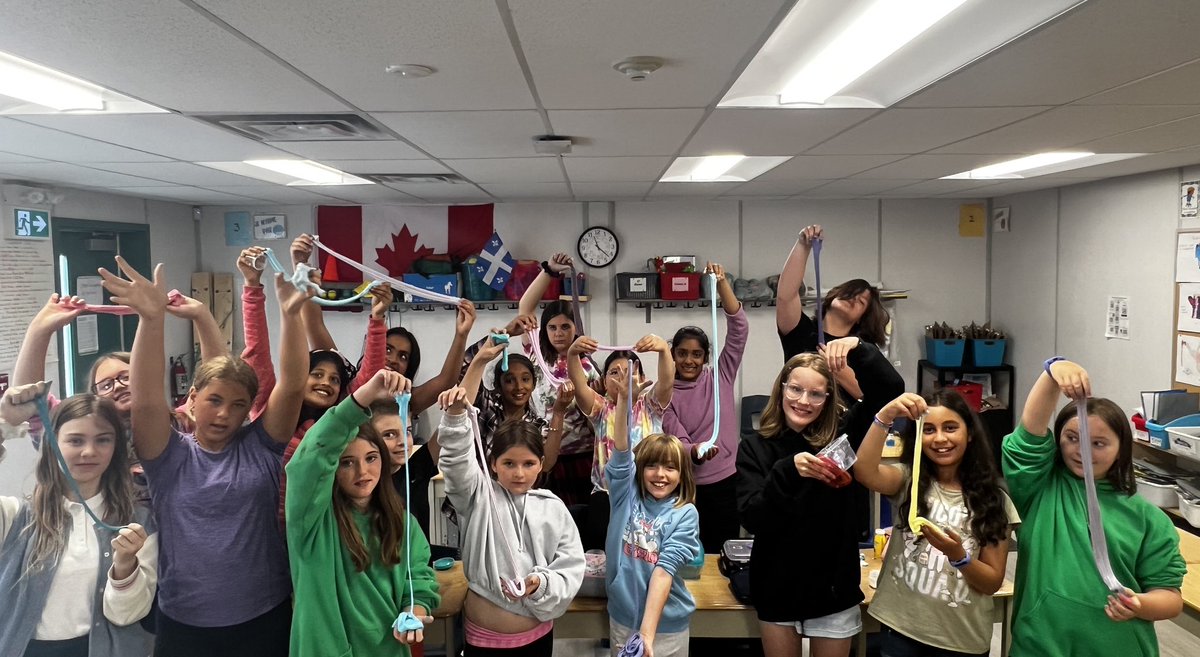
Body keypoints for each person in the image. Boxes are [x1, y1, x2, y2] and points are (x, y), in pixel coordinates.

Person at [102, 255, 311, 657]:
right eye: (214, 400)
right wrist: (151, 319)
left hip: (263, 616)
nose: (224, 414)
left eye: (238, 405)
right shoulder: (168, 456)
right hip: (186, 623)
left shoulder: (261, 447)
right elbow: (146, 397)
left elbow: (294, 382)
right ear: (192, 398)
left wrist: (291, 313)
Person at [1002, 359, 1186, 656]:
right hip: (1040, 644)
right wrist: (1053, 372)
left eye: (1099, 443)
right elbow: (1028, 436)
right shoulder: (1040, 488)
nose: (1082, 451)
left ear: (1121, 449)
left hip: (1118, 647)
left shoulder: (1147, 518)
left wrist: (1139, 605)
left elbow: (1170, 598)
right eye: (1072, 438)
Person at [737, 348, 902, 657]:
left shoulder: (845, 434)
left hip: (832, 587)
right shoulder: (754, 448)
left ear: (828, 398)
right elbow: (753, 517)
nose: (803, 401)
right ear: (782, 388)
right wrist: (786, 470)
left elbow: (890, 389)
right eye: (796, 389)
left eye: (816, 394)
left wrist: (857, 347)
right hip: (776, 586)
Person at [286, 368, 439, 657]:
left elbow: (417, 579)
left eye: (371, 458)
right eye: (347, 462)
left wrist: (414, 611)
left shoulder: (403, 523)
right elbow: (310, 459)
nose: (362, 472)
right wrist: (363, 398)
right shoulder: (312, 523)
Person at [854, 390, 1019, 657]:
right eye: (928, 429)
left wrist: (959, 556)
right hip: (901, 630)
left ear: (970, 433)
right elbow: (863, 470)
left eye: (950, 428)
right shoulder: (908, 481)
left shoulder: (994, 501)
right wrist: (886, 415)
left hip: (960, 641)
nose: (940, 438)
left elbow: (991, 582)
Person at [437, 373, 585, 657]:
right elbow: (456, 460)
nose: (519, 473)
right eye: (509, 463)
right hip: (484, 640)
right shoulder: (477, 496)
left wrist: (541, 583)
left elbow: (571, 567)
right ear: (493, 464)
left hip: (538, 637)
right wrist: (455, 418)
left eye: (528, 463)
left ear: (541, 464)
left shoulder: (552, 507)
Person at [0, 392, 157, 657]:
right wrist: (3, 422)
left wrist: (125, 565)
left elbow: (125, 615)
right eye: (75, 440)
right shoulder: (15, 517)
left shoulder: (137, 524)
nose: (89, 452)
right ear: (52, 445)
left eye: (103, 440)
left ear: (116, 447)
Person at [605, 367, 701, 657]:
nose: (660, 475)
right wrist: (624, 400)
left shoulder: (685, 513)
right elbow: (621, 451)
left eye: (670, 467)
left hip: (667, 627)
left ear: (682, 474)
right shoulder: (626, 496)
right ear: (640, 470)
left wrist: (646, 634)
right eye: (652, 466)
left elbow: (663, 572)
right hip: (622, 619)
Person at [662, 262, 748, 553]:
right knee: (685, 552)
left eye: (697, 354)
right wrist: (694, 451)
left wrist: (721, 283)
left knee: (722, 549)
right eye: (683, 353)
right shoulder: (663, 393)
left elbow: (739, 329)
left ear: (705, 357)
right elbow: (676, 437)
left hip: (725, 481)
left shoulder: (720, 375)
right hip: (685, 486)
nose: (689, 360)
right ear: (672, 355)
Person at [567, 335, 674, 549]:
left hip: (647, 493)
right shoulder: (601, 409)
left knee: (647, 551)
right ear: (605, 382)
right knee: (601, 548)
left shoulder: (650, 406)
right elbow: (579, 385)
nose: (622, 378)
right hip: (606, 495)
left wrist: (663, 349)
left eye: (630, 371)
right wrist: (572, 354)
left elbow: (667, 381)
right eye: (614, 372)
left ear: (642, 378)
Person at [519, 253, 600, 508]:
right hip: (544, 457)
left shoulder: (589, 366)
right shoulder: (536, 356)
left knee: (583, 527)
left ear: (576, 328)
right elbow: (525, 308)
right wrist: (549, 271)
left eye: (565, 327)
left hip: (584, 458)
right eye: (552, 327)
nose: (558, 333)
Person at [775, 225, 890, 399]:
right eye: (849, 292)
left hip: (846, 425)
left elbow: (876, 398)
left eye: (860, 301)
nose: (852, 298)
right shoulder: (803, 331)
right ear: (833, 296)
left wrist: (841, 373)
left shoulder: (862, 349)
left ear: (862, 318)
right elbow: (786, 296)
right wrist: (803, 246)